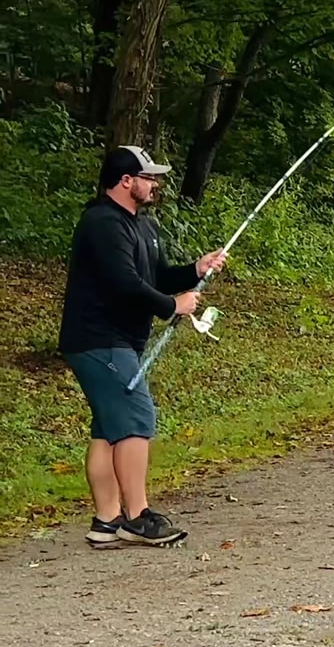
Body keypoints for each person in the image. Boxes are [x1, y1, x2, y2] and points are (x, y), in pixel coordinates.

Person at [59, 146, 227, 547]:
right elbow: (124, 283)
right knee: (135, 420)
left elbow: (157, 276)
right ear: (126, 181)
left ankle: (106, 522)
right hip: (99, 340)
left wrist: (195, 270)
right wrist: (173, 307)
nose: (155, 184)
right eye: (148, 177)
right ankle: (137, 518)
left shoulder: (144, 227)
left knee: (108, 430)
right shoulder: (101, 223)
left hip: (121, 342)